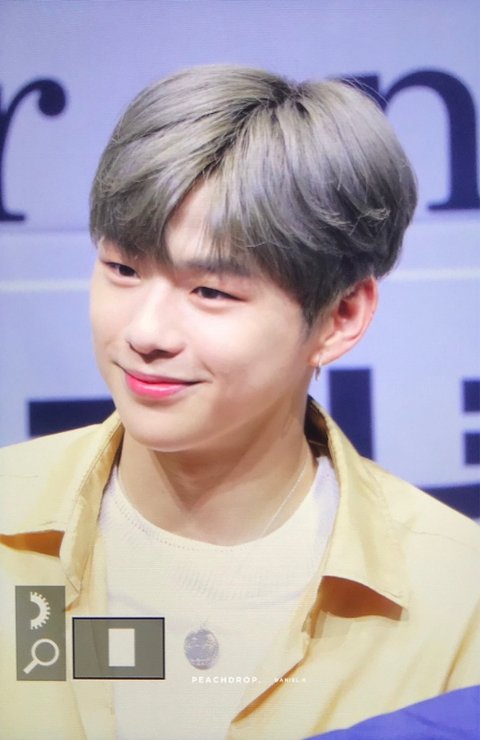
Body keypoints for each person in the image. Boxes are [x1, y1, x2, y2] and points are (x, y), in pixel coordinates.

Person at [1, 65, 479, 740]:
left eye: (211, 292)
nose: (145, 333)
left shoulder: (459, 594)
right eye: (123, 269)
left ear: (340, 316)